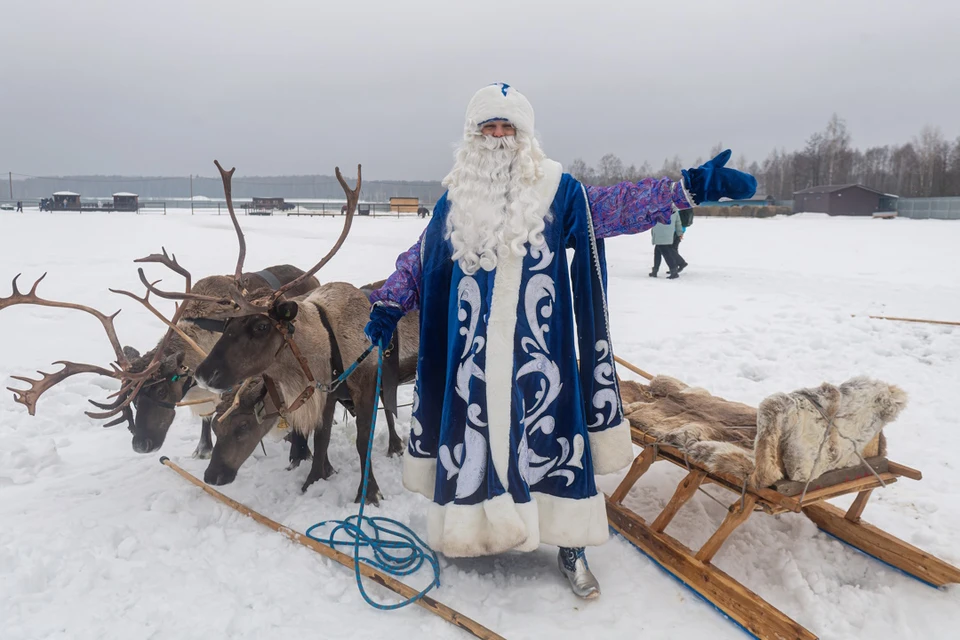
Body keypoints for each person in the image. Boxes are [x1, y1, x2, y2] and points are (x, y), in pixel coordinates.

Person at [364, 83, 756, 599]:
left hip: (538, 360)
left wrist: (686, 188)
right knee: (473, 442)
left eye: (508, 126)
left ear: (525, 134)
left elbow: (615, 207)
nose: (499, 136)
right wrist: (392, 300)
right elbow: (421, 258)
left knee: (550, 441)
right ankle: (469, 530)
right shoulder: (456, 200)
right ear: (473, 135)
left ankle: (570, 543)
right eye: (489, 126)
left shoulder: (557, 191)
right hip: (472, 363)